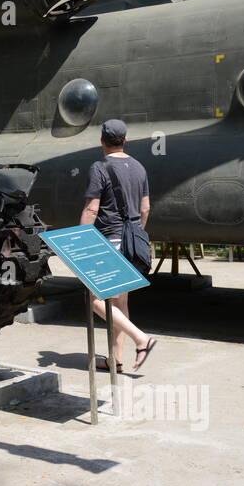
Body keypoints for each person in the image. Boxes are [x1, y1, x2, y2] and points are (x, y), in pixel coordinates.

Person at [79, 119, 158, 372]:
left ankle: (141, 338)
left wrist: (81, 240)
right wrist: (136, 233)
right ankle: (116, 360)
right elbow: (145, 208)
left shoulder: (99, 167)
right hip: (131, 242)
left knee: (96, 300)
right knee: (120, 303)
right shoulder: (139, 167)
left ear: (102, 140)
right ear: (125, 139)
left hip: (109, 240)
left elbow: (92, 208)